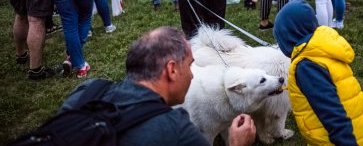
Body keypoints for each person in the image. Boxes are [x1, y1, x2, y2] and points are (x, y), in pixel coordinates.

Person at [58, 26, 257, 146]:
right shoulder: (179, 131)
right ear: (171, 70)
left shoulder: (88, 90)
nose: (192, 74)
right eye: (189, 65)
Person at [273, 0, 363, 146]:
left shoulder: (306, 67)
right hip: (361, 134)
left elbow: (332, 114)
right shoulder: (322, 49)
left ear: (289, 36)